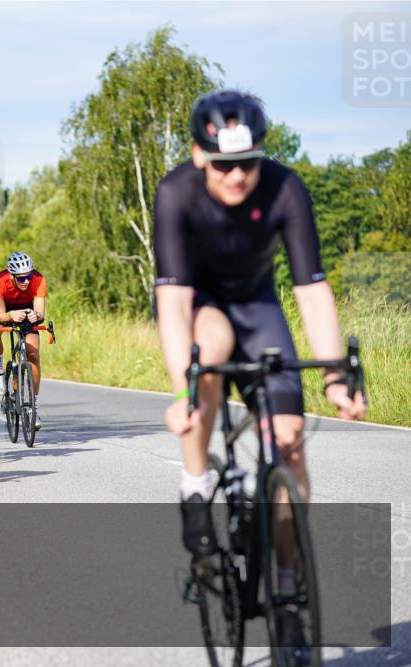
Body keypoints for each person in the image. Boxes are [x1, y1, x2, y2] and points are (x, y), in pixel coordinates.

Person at [154, 90, 366, 661]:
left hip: (259, 307)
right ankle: (196, 483)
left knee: (291, 446)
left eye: (248, 163)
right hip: (203, 306)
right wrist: (182, 389)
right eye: (223, 165)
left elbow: (311, 289)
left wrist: (334, 379)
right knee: (211, 350)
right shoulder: (176, 193)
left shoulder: (284, 188)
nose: (237, 176)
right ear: (200, 157)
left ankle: (291, 591)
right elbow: (172, 304)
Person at [0, 251, 48, 429]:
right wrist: (11, 315)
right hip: (6, 308)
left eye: (28, 276)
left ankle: (34, 407)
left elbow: (40, 313)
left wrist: (34, 315)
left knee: (33, 355)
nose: (26, 281)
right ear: (12, 276)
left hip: (27, 308)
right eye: (21, 279)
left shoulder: (38, 280)